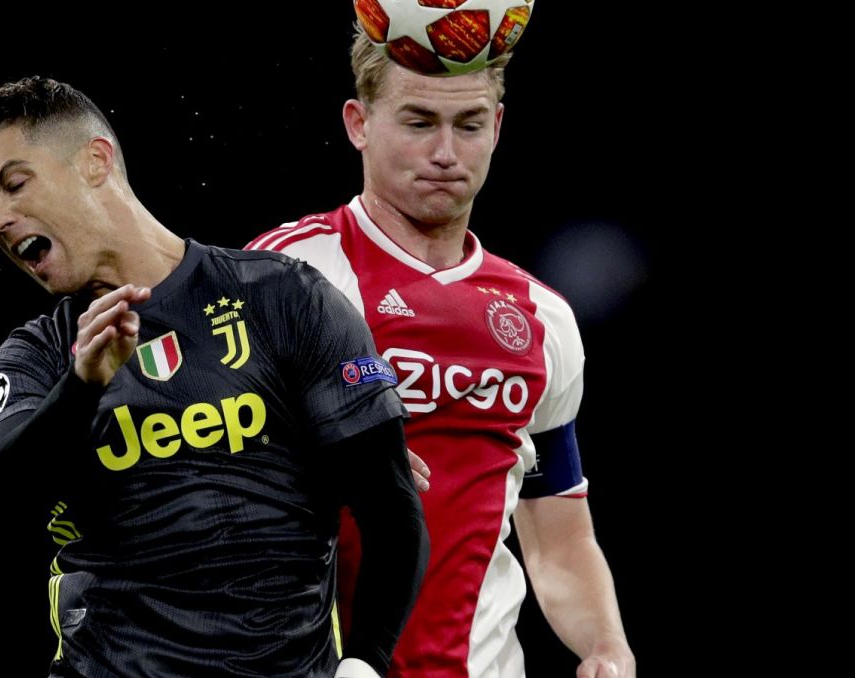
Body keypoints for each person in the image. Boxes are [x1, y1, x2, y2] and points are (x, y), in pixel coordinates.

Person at [0, 76, 427, 678]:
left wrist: (365, 663)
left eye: (13, 184)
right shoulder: (36, 355)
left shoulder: (285, 299)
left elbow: (392, 507)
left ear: (95, 161)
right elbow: (3, 507)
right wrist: (83, 387)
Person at [245, 28, 636, 678]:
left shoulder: (544, 322)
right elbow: (201, 472)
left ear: (499, 127)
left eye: (470, 124)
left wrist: (605, 646)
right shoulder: (284, 274)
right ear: (358, 122)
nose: (447, 153)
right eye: (420, 122)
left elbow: (558, 536)